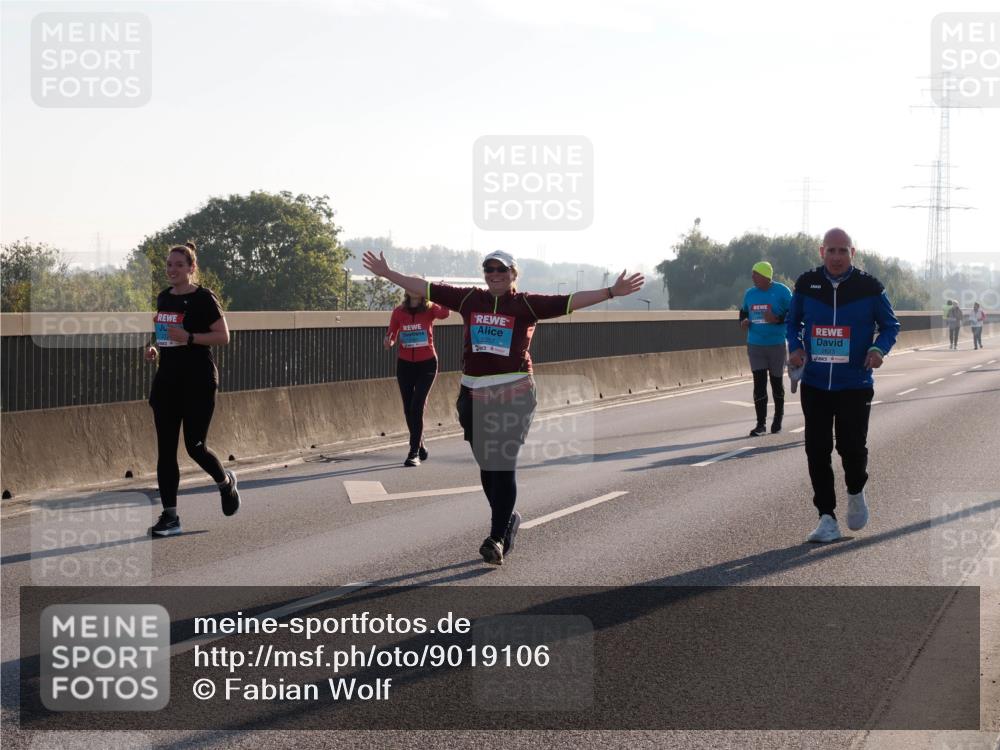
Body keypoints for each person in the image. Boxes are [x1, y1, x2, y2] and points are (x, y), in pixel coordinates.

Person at [363, 248, 643, 565]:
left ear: (513, 274)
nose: (495, 274)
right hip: (473, 393)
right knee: (487, 466)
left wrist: (610, 292)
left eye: (501, 269)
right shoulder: (469, 300)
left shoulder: (525, 303)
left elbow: (569, 301)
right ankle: (507, 521)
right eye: (489, 269)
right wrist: (388, 273)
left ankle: (496, 538)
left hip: (515, 391)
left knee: (502, 461)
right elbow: (424, 287)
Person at [786, 228, 899, 543]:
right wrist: (794, 346)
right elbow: (792, 322)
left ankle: (856, 489)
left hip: (855, 383)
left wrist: (878, 350)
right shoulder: (807, 284)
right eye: (831, 250)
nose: (837, 257)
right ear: (821, 251)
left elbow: (891, 326)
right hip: (816, 382)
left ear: (853, 252)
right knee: (816, 450)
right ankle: (826, 517)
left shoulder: (870, 287)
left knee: (850, 448)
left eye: (843, 251)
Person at [144, 242, 240, 537]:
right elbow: (164, 336)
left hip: (198, 380)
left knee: (195, 446)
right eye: (169, 265)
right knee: (165, 451)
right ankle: (170, 516)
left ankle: (225, 483)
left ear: (191, 268)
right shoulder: (164, 297)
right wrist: (153, 349)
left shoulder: (203, 298)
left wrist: (189, 338)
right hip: (168, 381)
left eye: (179, 265)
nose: (172, 270)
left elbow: (223, 336)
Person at [384, 289, 450, 466]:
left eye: (417, 286)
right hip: (405, 364)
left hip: (427, 363)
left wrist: (440, 294)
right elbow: (392, 332)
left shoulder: (430, 309)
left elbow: (444, 314)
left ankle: (413, 453)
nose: (413, 289)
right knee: (408, 408)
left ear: (422, 291)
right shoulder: (399, 311)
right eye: (410, 286)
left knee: (417, 406)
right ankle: (419, 445)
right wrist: (389, 340)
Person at [738, 261, 792, 436]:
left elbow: (794, 313)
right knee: (759, 384)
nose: (753, 278)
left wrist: (777, 318)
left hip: (776, 344)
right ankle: (760, 424)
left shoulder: (783, 291)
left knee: (776, 383)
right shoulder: (750, 294)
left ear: (766, 276)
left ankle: (778, 418)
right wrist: (743, 321)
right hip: (755, 345)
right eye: (752, 274)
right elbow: (744, 312)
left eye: (756, 274)